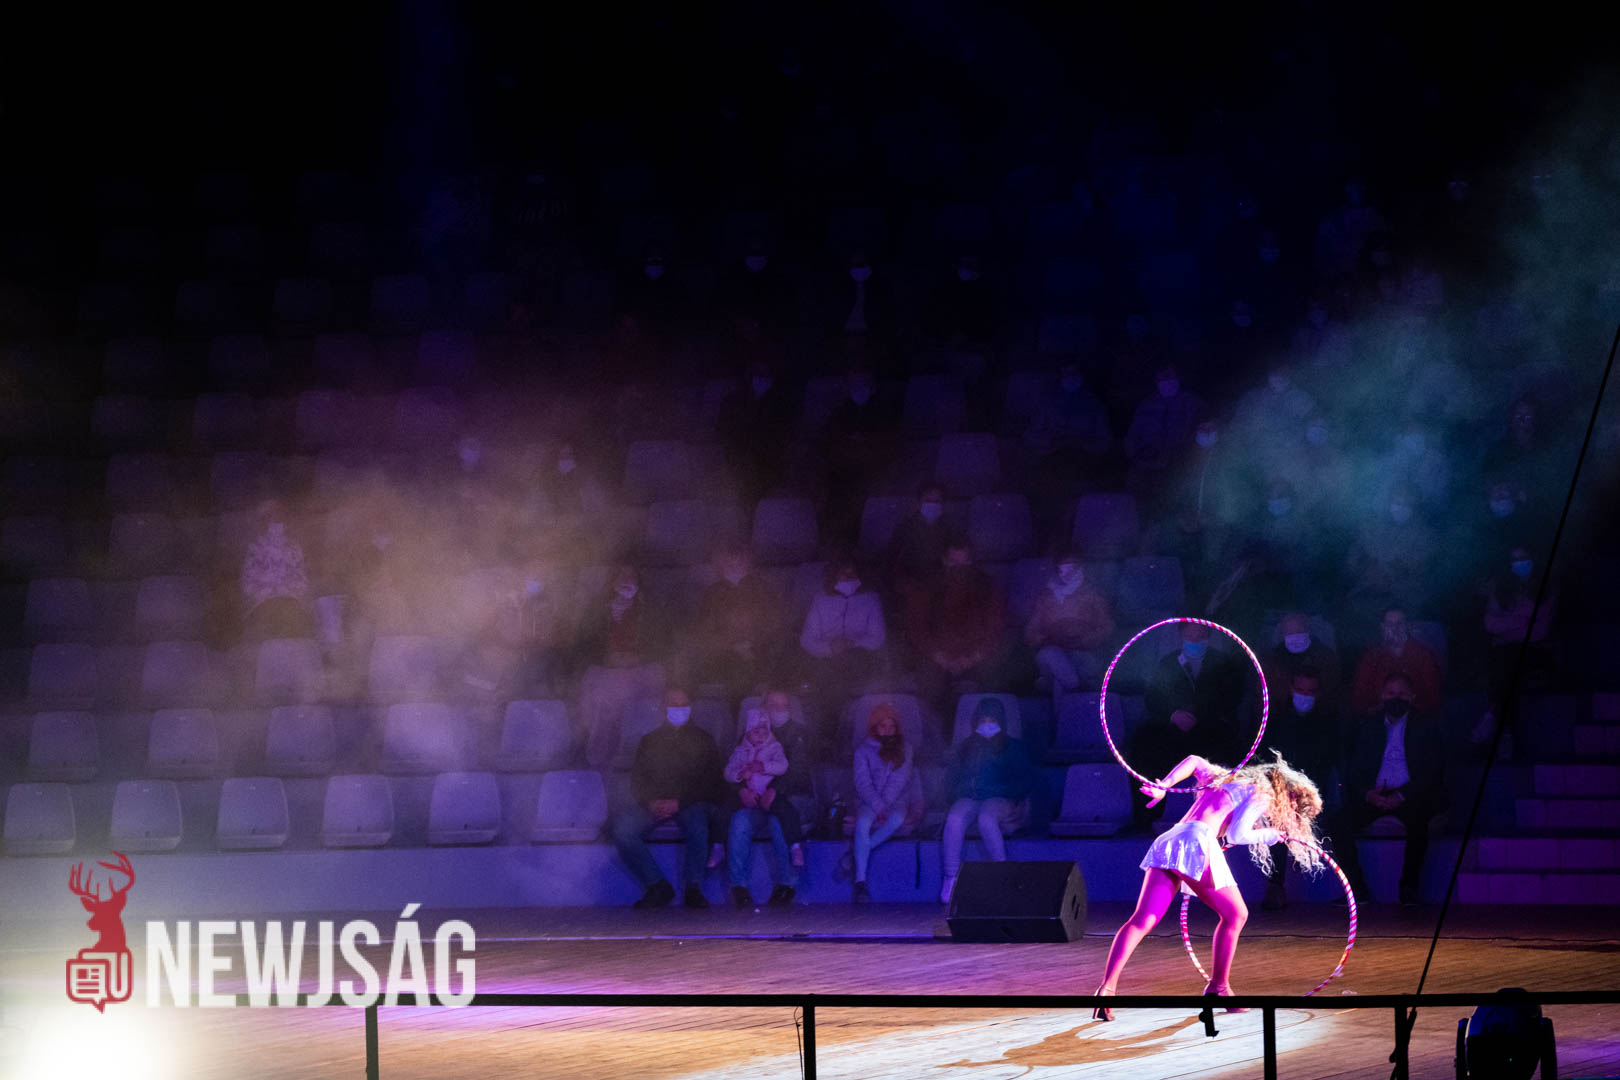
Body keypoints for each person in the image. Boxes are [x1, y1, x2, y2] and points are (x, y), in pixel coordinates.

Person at [1092, 752, 1325, 1018]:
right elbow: (1238, 834)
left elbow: (1194, 761)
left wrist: (1165, 786)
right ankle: (1219, 987)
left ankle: (1107, 989)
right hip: (1196, 841)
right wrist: (1270, 835)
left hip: (1170, 839)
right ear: (1290, 797)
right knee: (1236, 914)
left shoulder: (1223, 779)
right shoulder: (1262, 793)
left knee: (1142, 920)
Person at [1340, 672, 1448, 906]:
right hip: (1376, 794)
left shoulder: (1426, 725)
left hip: (1411, 795)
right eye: (1390, 693)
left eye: (1401, 694)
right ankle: (1356, 889)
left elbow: (1432, 769)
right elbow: (1355, 767)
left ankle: (1409, 888)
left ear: (1412, 696)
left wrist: (1402, 795)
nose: (1395, 698)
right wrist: (1368, 793)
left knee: (1419, 821)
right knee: (1339, 822)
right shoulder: (1369, 725)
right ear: (1382, 695)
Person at [612, 688, 723, 910]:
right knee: (623, 831)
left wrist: (680, 802)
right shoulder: (649, 740)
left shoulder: (704, 739)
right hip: (654, 803)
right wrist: (651, 802)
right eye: (674, 704)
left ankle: (693, 887)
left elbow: (711, 782)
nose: (679, 709)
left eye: (683, 704)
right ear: (664, 708)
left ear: (690, 707)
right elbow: (638, 780)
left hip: (689, 802)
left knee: (698, 827)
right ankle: (657, 885)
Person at [1132, 622, 1250, 823]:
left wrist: (1200, 715)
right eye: (1190, 637)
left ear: (1208, 637)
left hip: (1210, 727)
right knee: (1145, 744)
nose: (1195, 641)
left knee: (1231, 747)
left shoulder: (1223, 663)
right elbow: (1154, 698)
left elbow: (1232, 698)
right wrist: (1174, 714)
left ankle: (1224, 815)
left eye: (1200, 637)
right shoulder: (1168, 663)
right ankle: (1149, 812)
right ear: (1181, 637)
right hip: (1175, 729)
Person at [1256, 669, 1342, 910]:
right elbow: (1265, 759)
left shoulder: (1327, 722)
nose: (1305, 696)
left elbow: (1328, 762)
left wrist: (1306, 791)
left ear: (1319, 693)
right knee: (1277, 819)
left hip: (1314, 790)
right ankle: (1275, 886)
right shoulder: (1275, 720)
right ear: (1291, 689)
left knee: (1337, 821)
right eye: (1300, 690)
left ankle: (1354, 889)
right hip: (1280, 788)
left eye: (1310, 691)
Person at [939, 698, 1037, 903]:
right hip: (969, 797)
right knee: (955, 819)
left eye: (992, 720)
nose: (987, 724)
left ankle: (1001, 875)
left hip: (1000, 798)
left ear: (1000, 721)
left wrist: (997, 790)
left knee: (986, 819)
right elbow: (950, 781)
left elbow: (1024, 781)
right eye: (983, 720)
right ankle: (951, 878)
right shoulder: (964, 747)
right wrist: (963, 791)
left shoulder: (1013, 747)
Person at [905, 538, 1008, 713]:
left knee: (989, 685)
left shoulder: (987, 586)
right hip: (938, 659)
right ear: (944, 560)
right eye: (954, 562)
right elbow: (917, 627)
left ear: (971, 560)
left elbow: (995, 628)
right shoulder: (928, 587)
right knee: (929, 688)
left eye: (964, 562)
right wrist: (939, 657)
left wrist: (971, 658)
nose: (960, 568)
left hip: (976, 659)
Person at [580, 566, 668, 767]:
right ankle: (601, 759)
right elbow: (585, 646)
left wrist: (639, 658)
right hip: (607, 671)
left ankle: (644, 755)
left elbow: (663, 644)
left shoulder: (650, 610)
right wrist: (607, 659)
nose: (627, 581)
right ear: (613, 581)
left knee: (655, 676)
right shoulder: (598, 611)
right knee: (600, 693)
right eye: (622, 576)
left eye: (632, 576)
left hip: (641, 670)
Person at [1475, 547, 1557, 758]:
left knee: (1509, 665)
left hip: (1533, 650)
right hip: (1503, 651)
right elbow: (1490, 624)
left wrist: (1507, 624)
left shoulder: (1546, 589)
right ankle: (1507, 734)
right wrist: (1524, 619)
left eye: (1523, 558)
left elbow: (1540, 630)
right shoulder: (1500, 589)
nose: (1519, 563)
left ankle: (1492, 715)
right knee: (1506, 667)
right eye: (1514, 559)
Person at [722, 707, 805, 908]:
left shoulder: (781, 745)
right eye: (755, 731)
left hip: (776, 800)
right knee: (739, 822)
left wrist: (773, 789)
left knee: (779, 824)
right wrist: (741, 786)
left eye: (764, 731)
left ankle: (787, 883)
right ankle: (738, 885)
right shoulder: (740, 749)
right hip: (752, 801)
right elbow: (730, 773)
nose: (760, 735)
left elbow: (790, 771)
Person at [690, 543, 786, 698]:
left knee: (766, 668)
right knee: (734, 675)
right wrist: (732, 646)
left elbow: (774, 622)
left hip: (760, 649)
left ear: (747, 565)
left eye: (739, 563)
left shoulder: (762, 589)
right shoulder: (712, 593)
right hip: (725, 653)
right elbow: (705, 630)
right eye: (730, 564)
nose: (735, 567)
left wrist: (753, 644)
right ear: (722, 566)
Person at [844, 702, 918, 902]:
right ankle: (860, 880)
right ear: (875, 727)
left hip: (896, 801)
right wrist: (878, 806)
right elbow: (862, 783)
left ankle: (857, 855)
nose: (888, 730)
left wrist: (885, 805)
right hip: (868, 801)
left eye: (892, 726)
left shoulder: (905, 749)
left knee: (896, 820)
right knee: (863, 823)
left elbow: (899, 779)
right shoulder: (862, 751)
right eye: (883, 726)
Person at [798, 559, 887, 719]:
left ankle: (851, 718)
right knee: (828, 678)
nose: (849, 577)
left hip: (859, 658)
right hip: (826, 659)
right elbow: (807, 640)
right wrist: (830, 648)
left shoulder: (870, 599)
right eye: (844, 574)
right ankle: (830, 721)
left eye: (853, 574)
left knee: (849, 670)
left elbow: (878, 637)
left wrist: (853, 643)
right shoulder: (821, 600)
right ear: (835, 576)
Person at [1025, 550, 1116, 694]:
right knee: (1051, 656)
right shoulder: (1046, 598)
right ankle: (1074, 690)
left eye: (1071, 569)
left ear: (1080, 569)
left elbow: (1106, 627)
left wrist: (1082, 641)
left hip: (1082, 651)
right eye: (1062, 570)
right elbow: (1031, 632)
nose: (1066, 575)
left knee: (1068, 671)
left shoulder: (1093, 594)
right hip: (1050, 652)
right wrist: (1046, 640)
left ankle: (1068, 694)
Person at [715, 358, 798, 505]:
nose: (762, 379)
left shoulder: (780, 405)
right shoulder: (732, 402)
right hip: (739, 466)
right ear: (749, 375)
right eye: (758, 374)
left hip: (769, 467)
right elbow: (724, 432)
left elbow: (783, 436)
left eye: (766, 374)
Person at [1122, 363, 1204, 495]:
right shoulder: (1146, 405)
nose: (1167, 381)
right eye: (1162, 377)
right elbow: (1132, 438)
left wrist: (1178, 456)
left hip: (1179, 463)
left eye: (1170, 376)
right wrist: (1139, 455)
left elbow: (1202, 434)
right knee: (1136, 481)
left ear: (1179, 378)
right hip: (1147, 463)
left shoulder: (1192, 404)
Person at [1350, 607, 1443, 717]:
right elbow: (1359, 695)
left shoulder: (1424, 655)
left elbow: (1434, 696)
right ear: (1382, 627)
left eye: (1400, 623)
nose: (1395, 629)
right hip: (1379, 718)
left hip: (1416, 719)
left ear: (1407, 626)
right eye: (1390, 624)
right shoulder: (1371, 657)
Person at [240, 501, 314, 642]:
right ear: (264, 519)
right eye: (270, 515)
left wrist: (285, 590)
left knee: (291, 621)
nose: (275, 519)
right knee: (271, 621)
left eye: (279, 515)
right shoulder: (255, 548)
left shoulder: (293, 547)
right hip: (262, 603)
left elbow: (302, 582)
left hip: (290, 601)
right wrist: (268, 591)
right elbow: (247, 585)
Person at [1264, 613, 1342, 719]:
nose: (1295, 636)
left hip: (1320, 717)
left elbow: (1332, 691)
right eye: (1290, 632)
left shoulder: (1325, 656)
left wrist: (1312, 694)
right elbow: (1265, 692)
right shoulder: (1272, 659)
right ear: (1283, 633)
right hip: (1281, 716)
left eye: (1299, 631)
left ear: (1308, 630)